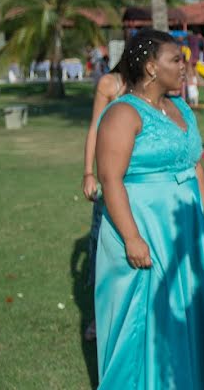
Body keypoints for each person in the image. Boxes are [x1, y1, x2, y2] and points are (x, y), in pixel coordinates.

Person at [94, 29, 204, 389]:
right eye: (176, 60)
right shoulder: (123, 113)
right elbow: (110, 180)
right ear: (152, 67)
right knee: (148, 313)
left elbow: (195, 163)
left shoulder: (180, 107)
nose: (184, 67)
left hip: (185, 226)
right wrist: (132, 237)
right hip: (144, 224)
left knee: (186, 310)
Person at [80, 57, 126, 341]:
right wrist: (88, 172)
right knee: (103, 245)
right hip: (110, 176)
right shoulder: (110, 83)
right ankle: (99, 316)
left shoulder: (152, 86)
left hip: (139, 176)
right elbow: (95, 128)